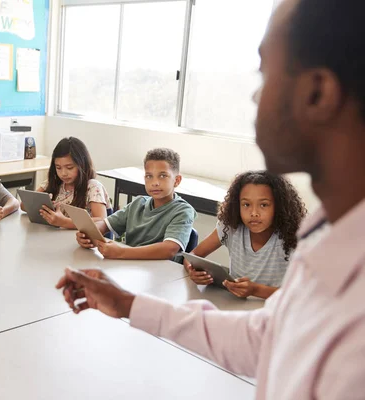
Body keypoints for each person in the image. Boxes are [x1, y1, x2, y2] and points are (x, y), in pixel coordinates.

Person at [56, 0, 365, 397]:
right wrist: (129, 304)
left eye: (264, 74)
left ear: (317, 93)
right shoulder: (327, 232)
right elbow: (266, 337)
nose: (255, 98)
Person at [185, 171, 307, 299]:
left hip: (277, 308)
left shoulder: (296, 236)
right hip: (236, 305)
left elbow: (303, 292)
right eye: (246, 205)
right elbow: (191, 256)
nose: (254, 213)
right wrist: (192, 271)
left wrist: (256, 290)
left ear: (279, 206)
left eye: (263, 205)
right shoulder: (230, 228)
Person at [76, 148, 196, 260]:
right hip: (131, 267)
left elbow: (169, 249)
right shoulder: (139, 203)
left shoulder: (183, 211)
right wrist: (89, 235)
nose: (155, 183)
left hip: (161, 274)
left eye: (163, 176)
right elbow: (105, 224)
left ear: (177, 180)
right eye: (149, 176)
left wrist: (120, 252)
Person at [32, 137, 111, 229]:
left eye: (69, 168)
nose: (63, 173)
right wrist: (45, 207)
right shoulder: (54, 182)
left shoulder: (93, 187)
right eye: (58, 168)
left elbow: (102, 220)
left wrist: (64, 222)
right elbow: (25, 205)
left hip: (83, 240)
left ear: (82, 165)